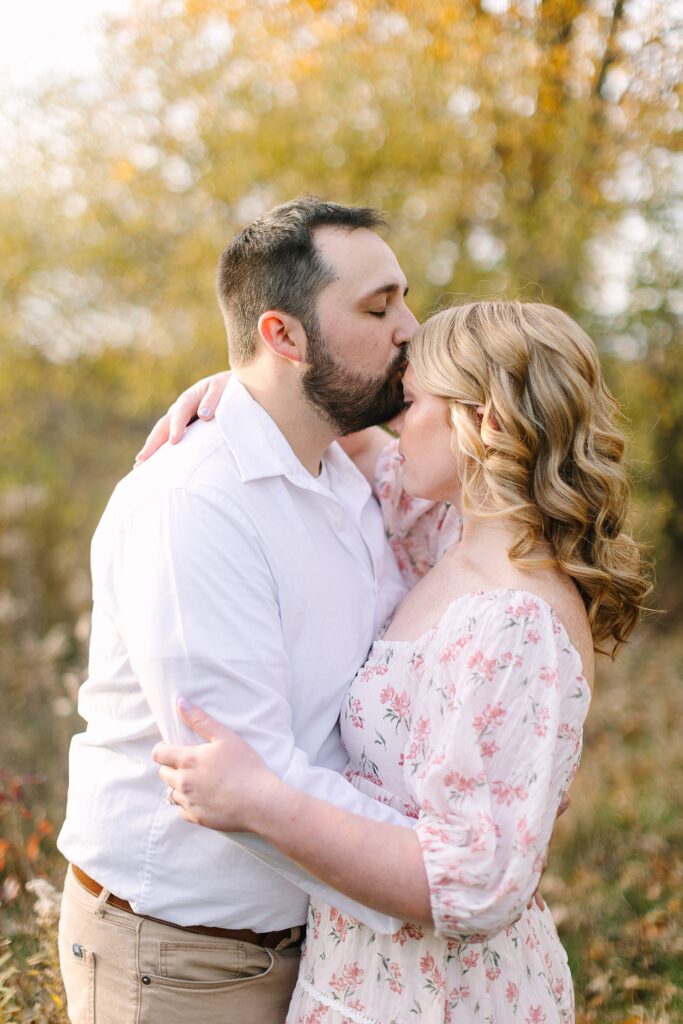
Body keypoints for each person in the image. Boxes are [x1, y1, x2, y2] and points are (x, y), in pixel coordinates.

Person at [152, 300, 651, 1023]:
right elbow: (341, 444)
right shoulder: (445, 529)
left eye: (411, 402)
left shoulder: (517, 620)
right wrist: (241, 390)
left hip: (440, 998)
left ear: (488, 424)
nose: (392, 423)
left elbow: (476, 882)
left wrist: (263, 802)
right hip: (367, 977)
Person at [57, 197, 446, 1024]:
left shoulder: (343, 476)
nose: (410, 326)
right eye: (378, 308)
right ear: (283, 336)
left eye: (403, 298)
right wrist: (433, 868)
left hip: (317, 936)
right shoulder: (194, 503)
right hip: (182, 954)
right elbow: (239, 776)